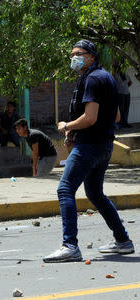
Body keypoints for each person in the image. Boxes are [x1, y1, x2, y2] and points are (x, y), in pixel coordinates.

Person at [43, 40, 134, 263]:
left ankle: (70, 246)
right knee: (95, 194)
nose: (74, 58)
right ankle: (123, 241)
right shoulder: (105, 77)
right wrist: (76, 132)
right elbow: (117, 117)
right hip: (104, 146)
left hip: (90, 146)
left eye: (79, 54)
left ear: (91, 56)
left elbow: (90, 117)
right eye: (72, 54)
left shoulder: (92, 79)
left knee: (65, 190)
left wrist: (67, 126)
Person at [113, 64, 133, 129]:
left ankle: (125, 123)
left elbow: (130, 82)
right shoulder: (116, 75)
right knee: (121, 109)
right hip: (120, 94)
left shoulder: (126, 75)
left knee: (126, 109)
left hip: (127, 93)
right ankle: (120, 123)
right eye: (120, 69)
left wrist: (126, 87)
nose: (121, 70)